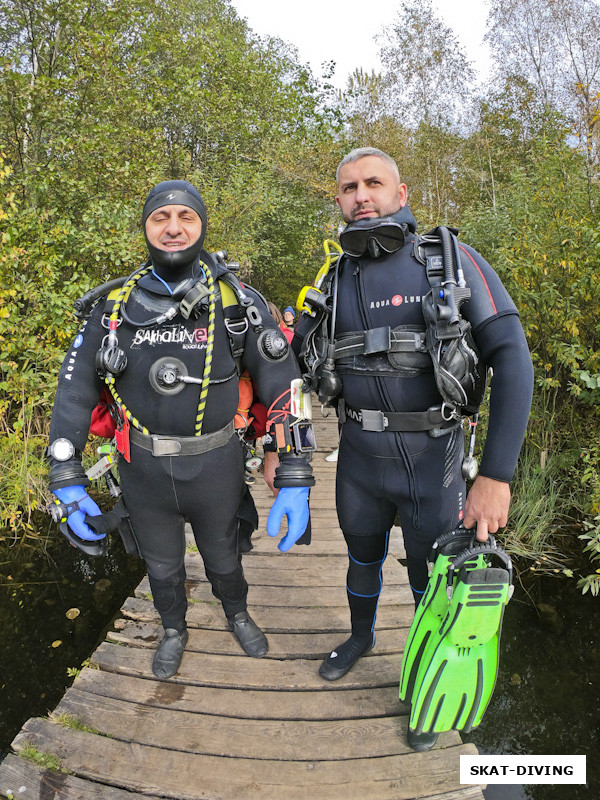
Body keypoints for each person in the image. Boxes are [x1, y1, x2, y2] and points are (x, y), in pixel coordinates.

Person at [292, 148, 533, 745]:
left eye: (374, 183)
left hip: (435, 462)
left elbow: (515, 361)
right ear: (340, 202)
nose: (361, 195)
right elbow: (292, 369)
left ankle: (429, 681)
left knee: (433, 579)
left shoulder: (450, 263)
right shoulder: (332, 278)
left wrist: (495, 476)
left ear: (402, 194)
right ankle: (360, 637)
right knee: (361, 556)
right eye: (348, 188)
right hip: (358, 462)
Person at [47, 180, 314, 681]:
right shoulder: (113, 309)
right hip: (142, 470)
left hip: (217, 467)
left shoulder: (237, 302)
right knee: (162, 565)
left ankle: (237, 613)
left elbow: (286, 384)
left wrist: (295, 468)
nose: (173, 228)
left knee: (223, 557)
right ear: (146, 228)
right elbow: (75, 391)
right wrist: (65, 473)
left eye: (185, 217)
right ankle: (173, 630)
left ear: (202, 225)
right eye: (160, 218)